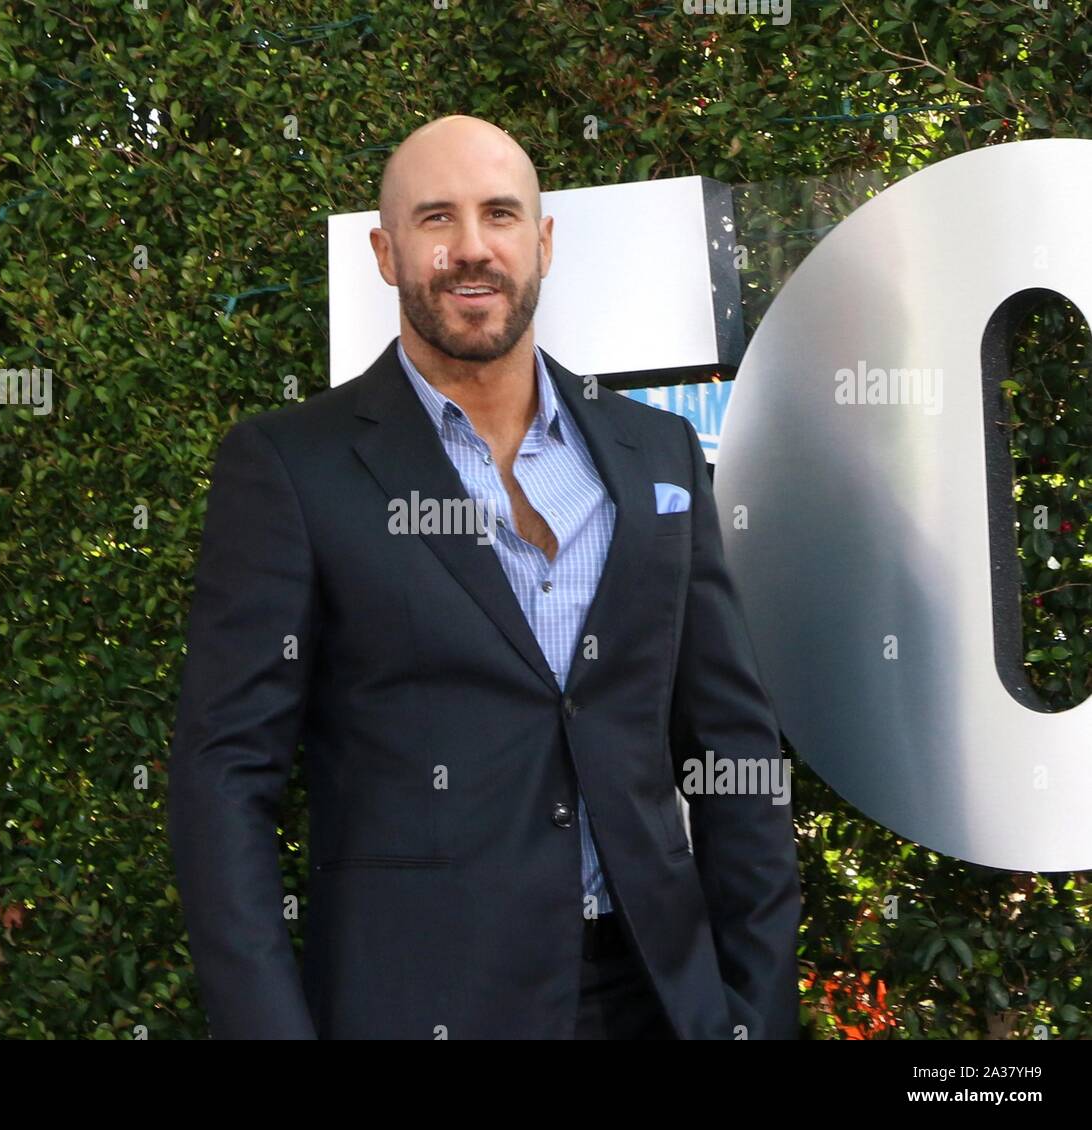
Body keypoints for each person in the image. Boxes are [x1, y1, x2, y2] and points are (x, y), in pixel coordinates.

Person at [168, 114, 801, 1039]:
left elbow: (734, 747)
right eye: (436, 220)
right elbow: (225, 778)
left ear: (542, 243)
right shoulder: (292, 468)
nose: (472, 249)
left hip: (663, 1003)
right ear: (385, 253)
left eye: (500, 215)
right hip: (420, 1004)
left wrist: (755, 1008)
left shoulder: (654, 452)